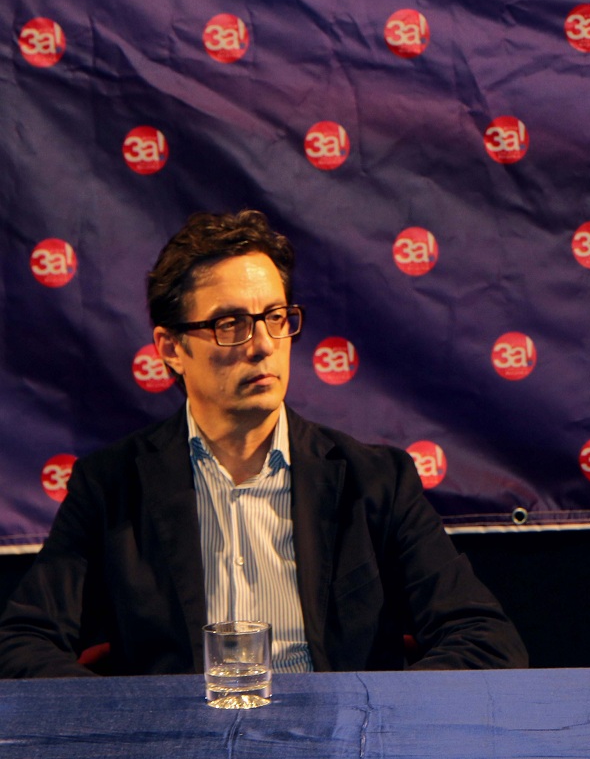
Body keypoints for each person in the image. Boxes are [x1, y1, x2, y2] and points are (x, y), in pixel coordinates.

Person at [0, 210, 528, 677]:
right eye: (230, 324)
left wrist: (374, 714)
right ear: (171, 348)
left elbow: (485, 639)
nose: (262, 345)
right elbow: (21, 644)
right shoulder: (111, 486)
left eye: (276, 318)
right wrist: (134, 726)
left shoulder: (374, 480)